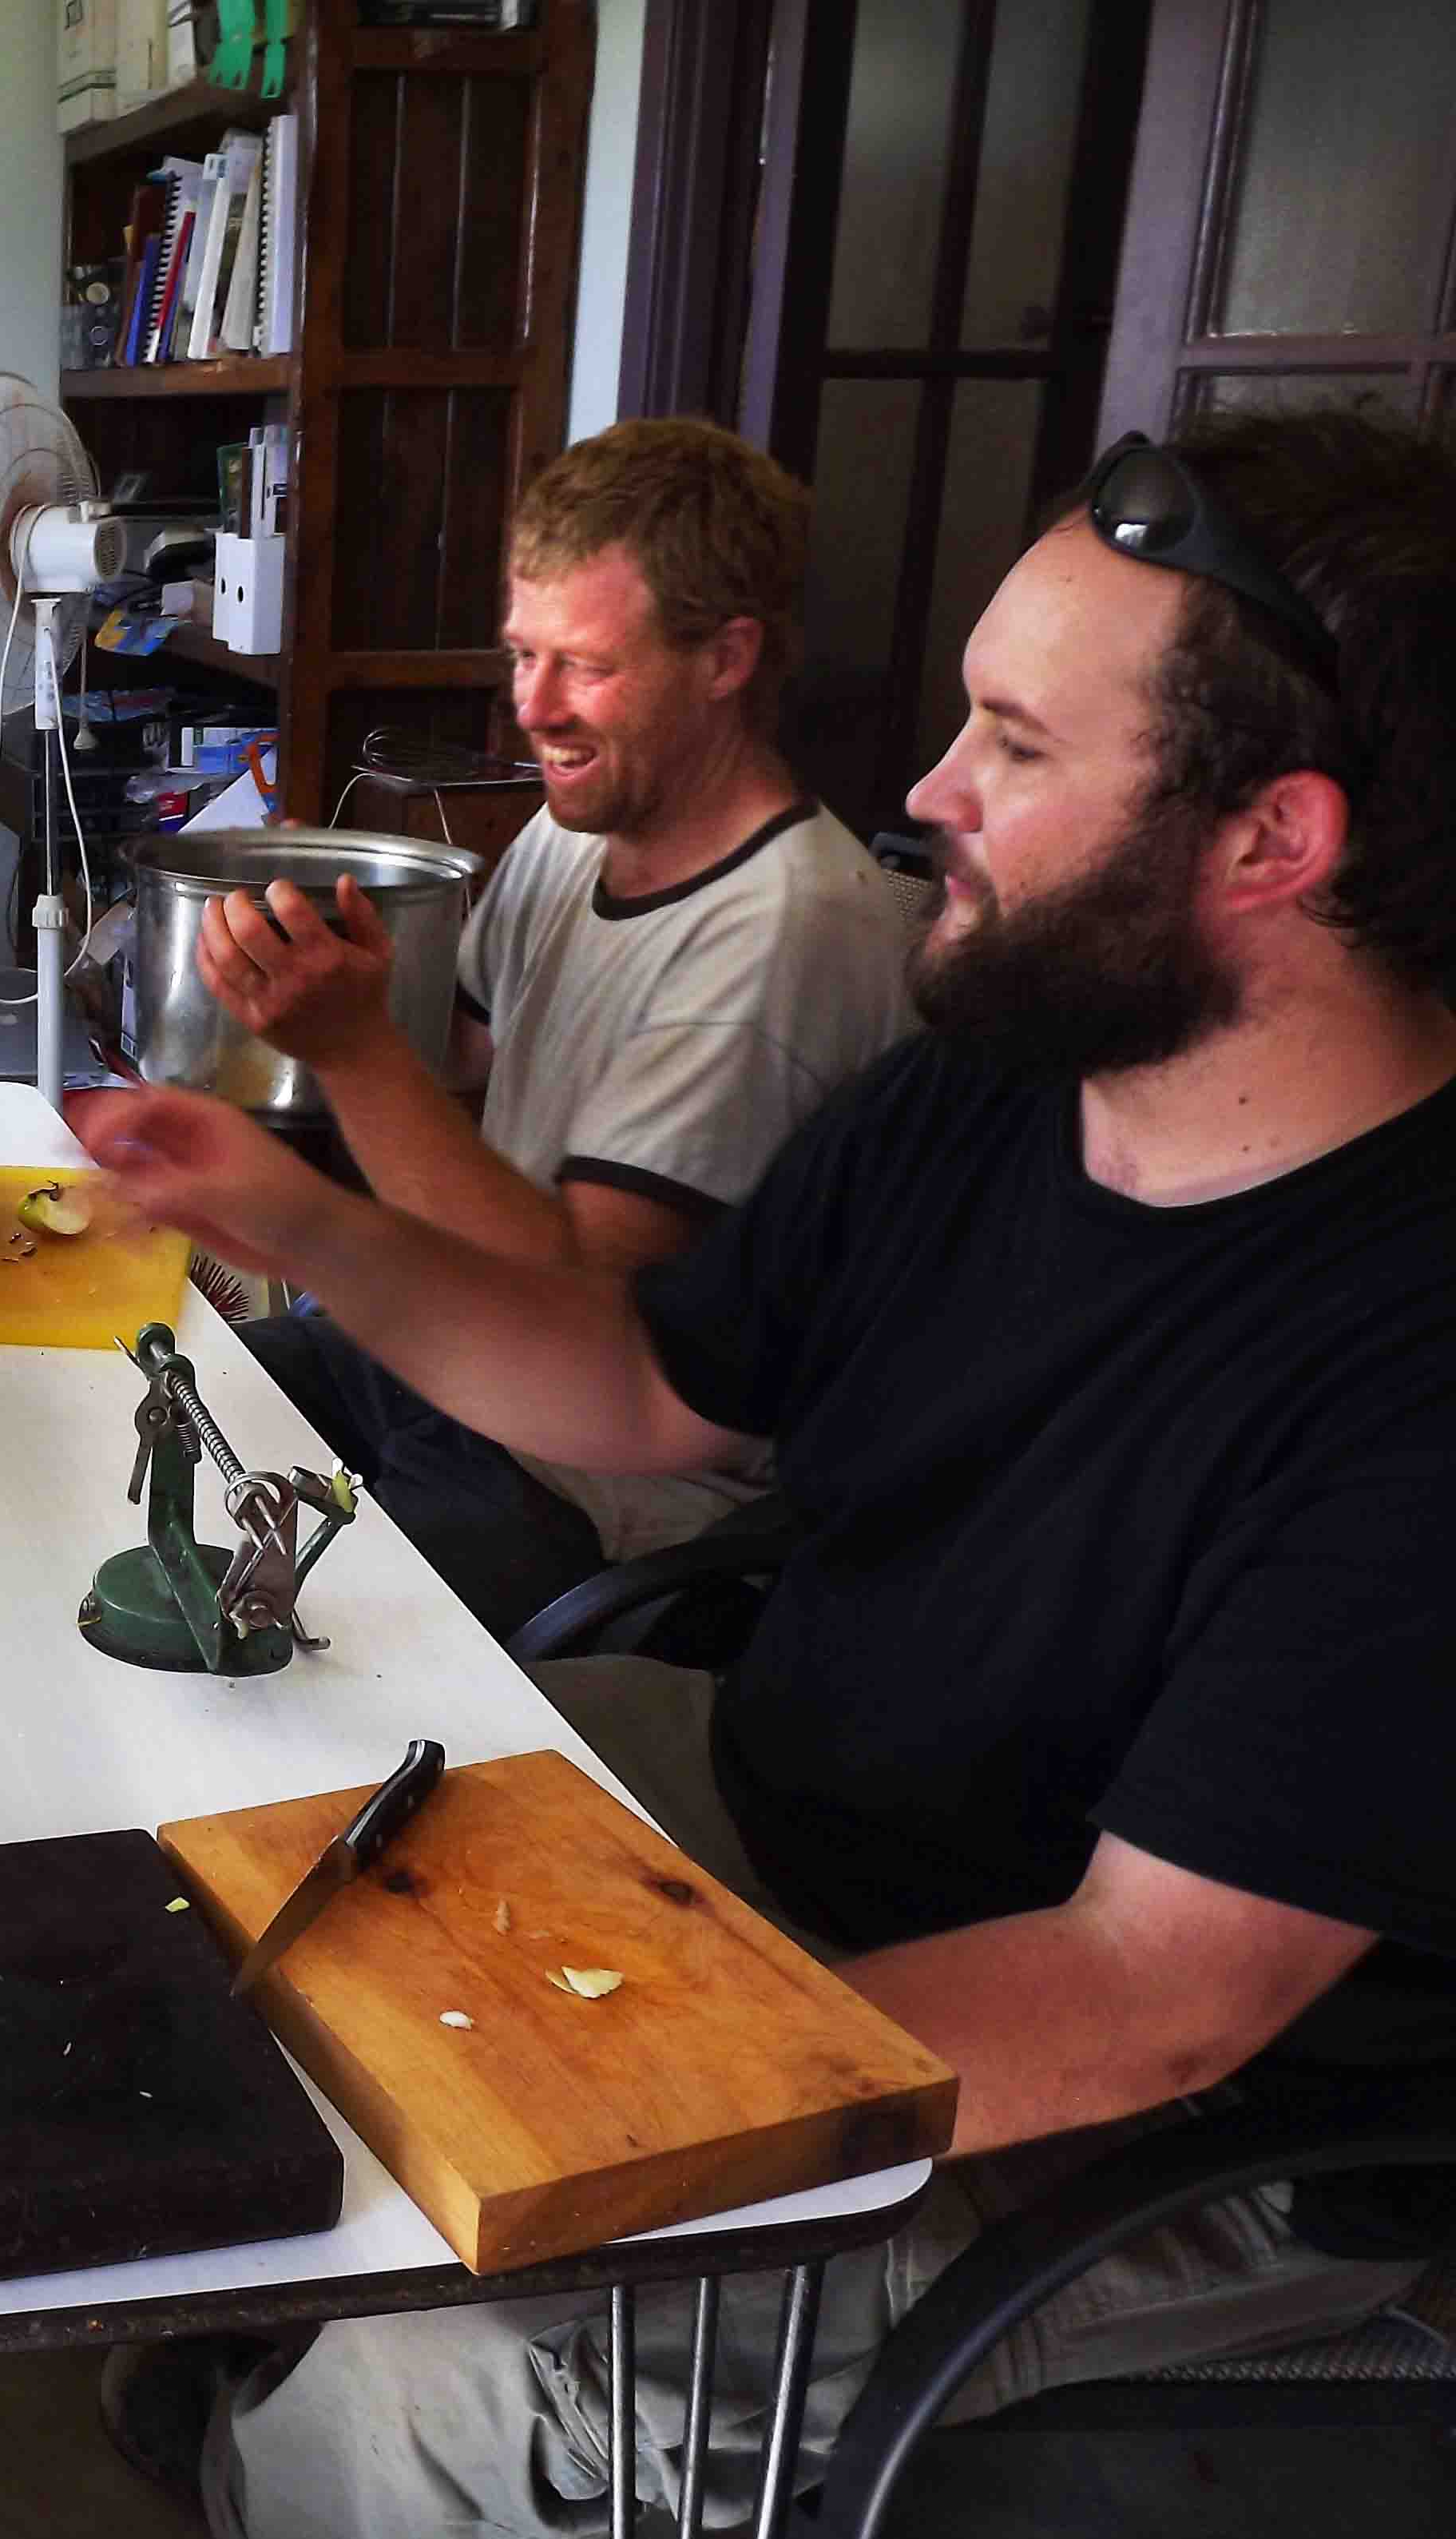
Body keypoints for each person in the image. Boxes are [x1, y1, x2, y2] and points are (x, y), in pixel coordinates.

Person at [81, 403, 1456, 2539]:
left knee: (454, 2348)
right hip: (790, 1829)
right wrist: (302, 1212)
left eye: (1011, 745)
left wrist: (590, 2093)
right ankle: (293, 2383)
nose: (926, 793)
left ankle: (353, 2458)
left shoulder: (1407, 1364)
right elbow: (643, 1383)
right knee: (269, 1865)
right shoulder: (993, 1100)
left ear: (1268, 844)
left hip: (1116, 2124)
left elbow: (1148, 1991)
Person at [208, 418, 919, 1637]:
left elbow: (581, 1289)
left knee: (260, 1644)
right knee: (169, 1429)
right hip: (459, 1358)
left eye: (584, 666)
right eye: (520, 655)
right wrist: (293, 1035)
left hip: (595, 1477)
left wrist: (354, 1049)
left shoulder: (786, 933)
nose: (531, 708)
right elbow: (463, 1067)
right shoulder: (573, 826)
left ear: (726, 657)